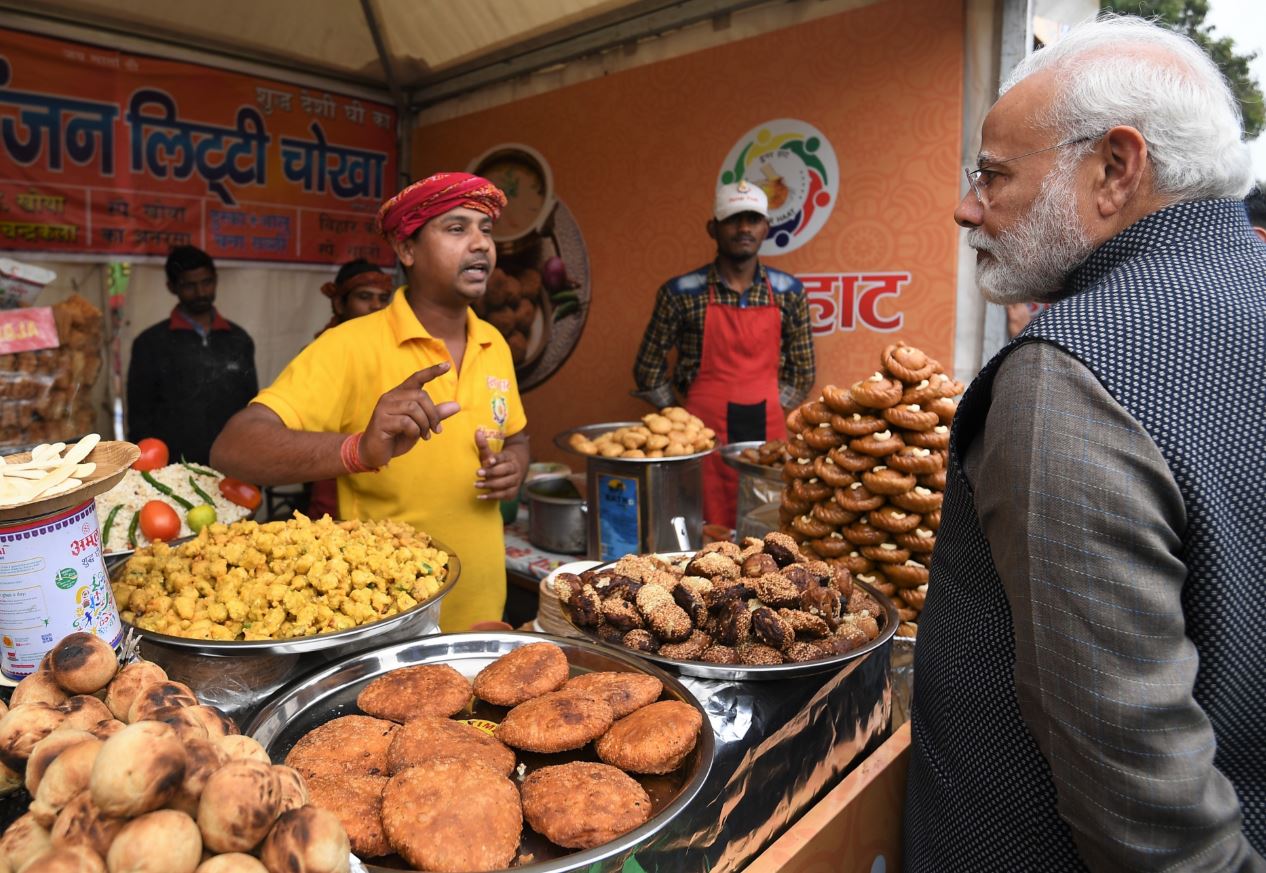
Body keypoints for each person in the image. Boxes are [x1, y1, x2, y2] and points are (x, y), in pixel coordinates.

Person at [905, 15, 1265, 872]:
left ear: (1115, 168)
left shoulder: (1071, 377)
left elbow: (1142, 796)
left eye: (992, 175)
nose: (966, 206)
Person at [210, 173, 529, 632]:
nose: (480, 243)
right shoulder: (349, 345)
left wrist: (513, 466)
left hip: (483, 612)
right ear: (407, 250)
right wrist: (356, 449)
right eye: (457, 228)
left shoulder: (493, 341)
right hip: (390, 621)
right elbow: (234, 448)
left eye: (486, 229)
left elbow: (518, 437)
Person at [633, 180, 814, 528]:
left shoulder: (789, 292)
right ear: (713, 228)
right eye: (733, 219)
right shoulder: (681, 292)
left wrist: (773, 402)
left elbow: (803, 371)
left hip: (768, 434)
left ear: (766, 227)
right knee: (702, 527)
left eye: (752, 219)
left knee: (766, 526)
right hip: (702, 433)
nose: (743, 228)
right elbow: (647, 367)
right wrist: (679, 420)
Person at [127, 245, 258, 464]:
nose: (201, 293)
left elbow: (252, 409)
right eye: (190, 285)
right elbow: (139, 419)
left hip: (233, 466)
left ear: (216, 280)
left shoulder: (239, 339)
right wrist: (148, 474)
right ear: (172, 287)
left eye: (206, 282)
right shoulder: (150, 343)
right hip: (174, 472)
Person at [307, 260, 396, 520]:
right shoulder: (321, 353)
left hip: (387, 482)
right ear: (339, 304)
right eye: (364, 297)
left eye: (383, 298)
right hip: (333, 476)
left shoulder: (397, 350)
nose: (376, 307)